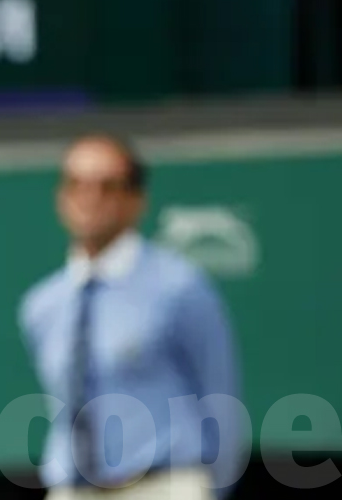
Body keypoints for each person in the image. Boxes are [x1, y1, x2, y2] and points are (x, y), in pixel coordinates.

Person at [17, 134, 247, 499]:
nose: (90, 198)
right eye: (77, 184)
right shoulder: (41, 305)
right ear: (61, 197)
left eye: (107, 186)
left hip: (164, 485)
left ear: (136, 200)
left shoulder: (180, 287)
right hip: (74, 489)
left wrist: (212, 489)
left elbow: (221, 397)